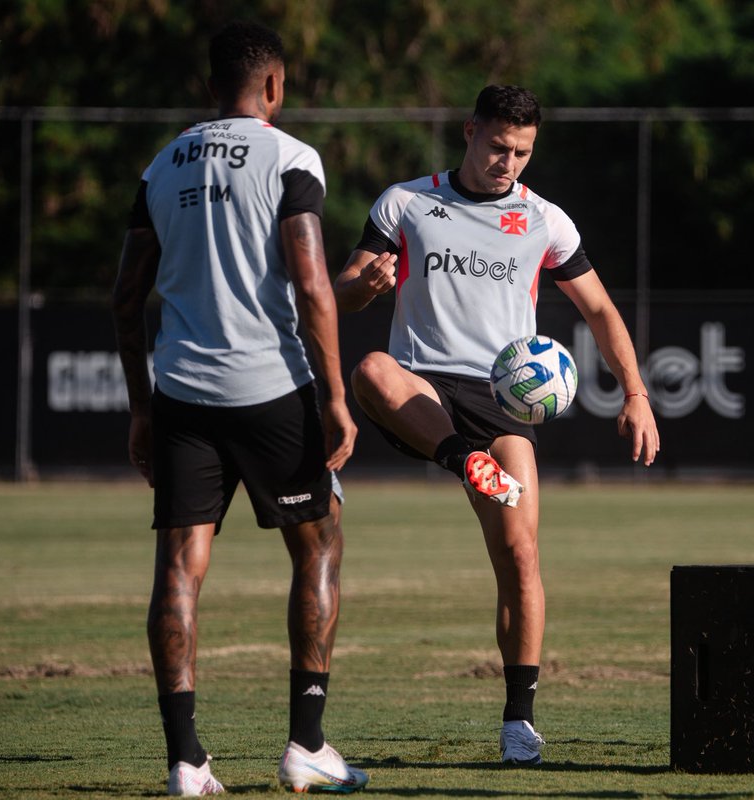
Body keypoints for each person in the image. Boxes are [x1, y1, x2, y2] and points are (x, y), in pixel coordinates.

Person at [334, 84, 660, 766]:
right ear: (469, 132)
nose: (507, 162)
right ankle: (462, 458)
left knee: (520, 556)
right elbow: (340, 290)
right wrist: (364, 288)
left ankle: (519, 722)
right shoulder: (406, 203)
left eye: (522, 152)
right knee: (370, 369)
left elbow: (600, 310)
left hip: (502, 397)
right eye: (498, 146)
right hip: (421, 385)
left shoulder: (545, 220)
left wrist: (636, 391)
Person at [112, 21, 368, 796]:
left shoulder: (162, 165)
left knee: (179, 570)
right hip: (270, 388)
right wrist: (335, 396)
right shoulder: (290, 157)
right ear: (275, 86)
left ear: (209, 86)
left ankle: (186, 762)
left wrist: (141, 409)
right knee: (319, 547)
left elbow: (126, 297)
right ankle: (306, 745)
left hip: (181, 393)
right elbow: (312, 283)